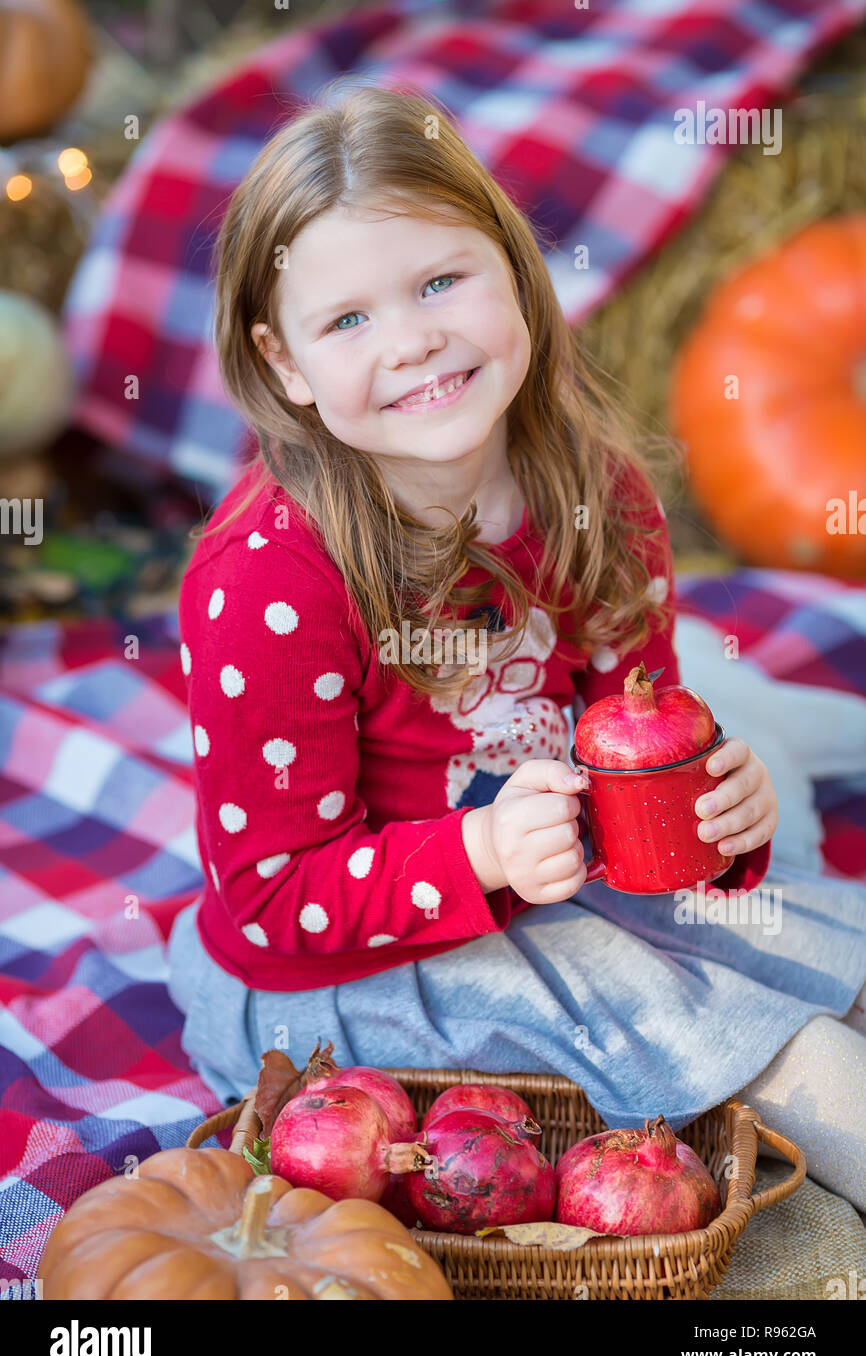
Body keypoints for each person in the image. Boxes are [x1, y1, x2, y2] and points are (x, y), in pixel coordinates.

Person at [167, 81, 866, 1211]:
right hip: (362, 965)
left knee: (830, 946)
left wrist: (714, 820)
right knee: (791, 1058)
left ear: (514, 273)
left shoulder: (594, 493)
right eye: (347, 320)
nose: (413, 340)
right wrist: (481, 851)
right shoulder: (267, 580)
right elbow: (267, 896)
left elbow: (639, 743)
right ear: (284, 362)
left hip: (562, 876)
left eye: (441, 280)